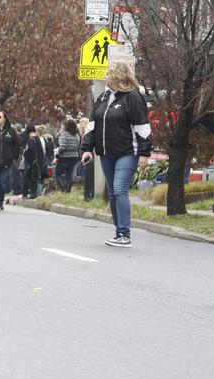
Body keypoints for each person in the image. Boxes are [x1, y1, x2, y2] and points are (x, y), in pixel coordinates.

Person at [80, 63, 152, 247]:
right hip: (107, 153)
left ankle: (125, 235)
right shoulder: (103, 98)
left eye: (108, 74)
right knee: (113, 194)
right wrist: (87, 148)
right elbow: (92, 126)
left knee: (120, 190)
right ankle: (119, 232)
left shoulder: (133, 98)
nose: (105, 76)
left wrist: (144, 153)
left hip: (127, 152)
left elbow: (142, 127)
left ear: (117, 76)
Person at [55, 118, 81, 193]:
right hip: (74, 157)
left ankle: (63, 190)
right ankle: (68, 191)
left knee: (57, 175)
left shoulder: (65, 134)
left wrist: (57, 157)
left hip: (64, 158)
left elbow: (62, 147)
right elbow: (77, 146)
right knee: (68, 175)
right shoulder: (77, 135)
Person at [22, 123, 45, 199]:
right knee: (34, 177)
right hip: (38, 161)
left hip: (32, 162)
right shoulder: (37, 138)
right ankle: (33, 193)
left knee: (28, 177)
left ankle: (29, 193)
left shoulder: (31, 140)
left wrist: (25, 154)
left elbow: (30, 150)